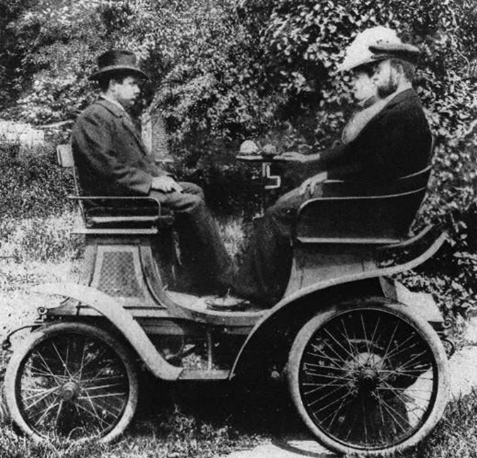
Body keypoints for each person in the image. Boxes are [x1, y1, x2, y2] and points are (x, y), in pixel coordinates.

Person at [209, 26, 433, 309]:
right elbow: (359, 155)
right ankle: (270, 289)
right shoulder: (402, 107)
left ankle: (250, 293)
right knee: (286, 202)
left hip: (368, 210)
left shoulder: (402, 113)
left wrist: (327, 176)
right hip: (374, 205)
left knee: (277, 213)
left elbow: (375, 169)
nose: (375, 76)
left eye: (379, 69)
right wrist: (313, 162)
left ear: (398, 70)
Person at [72, 49, 231, 292]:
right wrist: (152, 183)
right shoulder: (93, 118)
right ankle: (223, 278)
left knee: (193, 191)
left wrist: (162, 177)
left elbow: (143, 161)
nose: (138, 90)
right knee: (191, 204)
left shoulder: (116, 115)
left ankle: (195, 276)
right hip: (111, 200)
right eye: (132, 84)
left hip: (126, 192)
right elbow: (107, 169)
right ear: (113, 85)